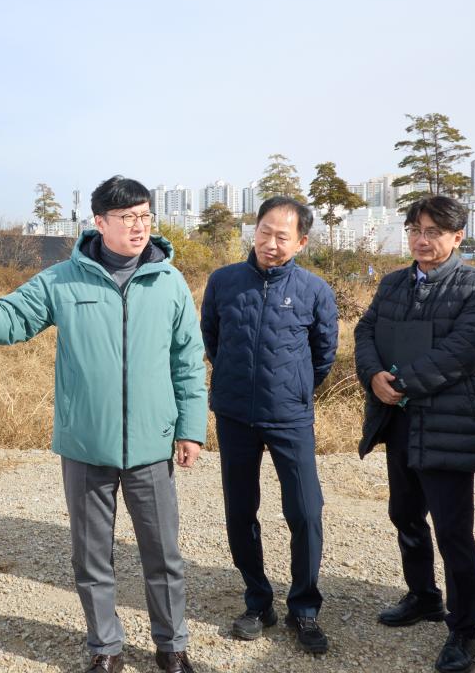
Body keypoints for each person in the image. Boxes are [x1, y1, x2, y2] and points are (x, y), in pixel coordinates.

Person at [0, 176, 207, 673]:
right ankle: (105, 649)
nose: (139, 227)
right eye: (128, 218)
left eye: (145, 216)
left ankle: (172, 646)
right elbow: (11, 317)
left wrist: (189, 428)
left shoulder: (170, 282)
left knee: (163, 555)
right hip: (85, 443)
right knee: (92, 557)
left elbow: (188, 360)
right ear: (99, 223)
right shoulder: (63, 278)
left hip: (152, 444)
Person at [353, 195, 475, 673]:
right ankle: (422, 596)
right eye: (415, 228)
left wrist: (403, 383)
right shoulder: (394, 282)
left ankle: (464, 629)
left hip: (448, 425)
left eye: (434, 231)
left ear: (458, 237)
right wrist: (374, 374)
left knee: (454, 531)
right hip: (399, 421)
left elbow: (466, 348)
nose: (422, 239)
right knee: (405, 515)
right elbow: (366, 331)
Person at [200, 196, 338, 654]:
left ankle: (305, 607)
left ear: (300, 242)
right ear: (253, 231)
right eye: (264, 232)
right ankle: (258, 600)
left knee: (305, 510)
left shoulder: (314, 290)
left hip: (290, 418)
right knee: (241, 511)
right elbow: (212, 338)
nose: (271, 243)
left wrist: (292, 389)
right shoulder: (224, 281)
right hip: (236, 415)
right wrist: (237, 383)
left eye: (283, 236)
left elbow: (324, 355)